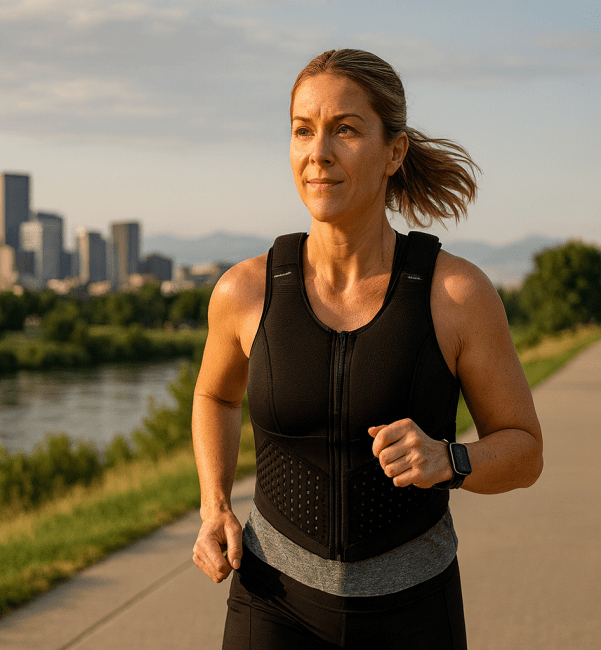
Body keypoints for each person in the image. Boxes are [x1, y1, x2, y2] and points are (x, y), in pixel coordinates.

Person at [192, 49, 543, 649]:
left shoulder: (455, 294)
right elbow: (214, 395)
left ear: (394, 151)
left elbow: (524, 451)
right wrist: (215, 503)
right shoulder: (245, 291)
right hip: (271, 605)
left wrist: (450, 461)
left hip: (414, 612)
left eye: (345, 129)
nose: (318, 153)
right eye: (303, 130)